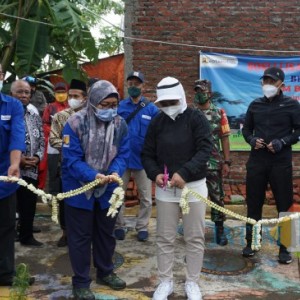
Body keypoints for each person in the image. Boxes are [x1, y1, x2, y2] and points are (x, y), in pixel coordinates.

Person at [142, 77, 212, 300]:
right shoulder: (157, 122)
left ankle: (192, 282)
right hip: (166, 189)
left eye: (172, 101)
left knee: (194, 237)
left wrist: (185, 172)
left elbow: (205, 149)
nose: (168, 107)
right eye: (164, 103)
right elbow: (147, 154)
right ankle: (165, 281)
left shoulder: (196, 118)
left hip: (193, 188)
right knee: (164, 237)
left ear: (181, 97)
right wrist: (155, 174)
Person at [61, 80, 129, 300]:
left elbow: (123, 154)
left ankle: (105, 272)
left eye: (113, 105)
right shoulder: (75, 123)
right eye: (105, 104)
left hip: (108, 189)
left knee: (106, 234)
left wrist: (114, 172)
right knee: (80, 237)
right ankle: (81, 282)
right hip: (79, 189)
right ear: (92, 102)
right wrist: (93, 176)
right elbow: (71, 159)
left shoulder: (120, 124)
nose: (110, 110)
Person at [242, 67, 300, 264]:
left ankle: (286, 247)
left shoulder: (292, 105)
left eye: (272, 81)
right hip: (257, 161)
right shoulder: (255, 105)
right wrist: (251, 140)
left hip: (280, 162)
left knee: (284, 204)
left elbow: (297, 131)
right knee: (253, 202)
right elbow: (246, 129)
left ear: (281, 84)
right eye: (265, 81)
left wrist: (282, 142)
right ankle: (251, 242)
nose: (267, 85)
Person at [114, 71, 159, 241]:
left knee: (146, 197)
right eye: (131, 83)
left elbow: (157, 133)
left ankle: (142, 227)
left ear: (143, 86)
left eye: (137, 84)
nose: (134, 86)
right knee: (118, 194)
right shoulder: (120, 107)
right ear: (127, 85)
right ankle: (119, 225)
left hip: (143, 160)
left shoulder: (151, 108)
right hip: (123, 158)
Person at [0, 64, 34, 286]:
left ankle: (5, 273)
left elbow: (17, 136)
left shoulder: (12, 105)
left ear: (1, 77)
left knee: (6, 227)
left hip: (5, 177)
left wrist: (15, 164)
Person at [49, 79, 87, 247]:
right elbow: (52, 139)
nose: (72, 98)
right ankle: (65, 233)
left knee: (85, 200)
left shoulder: (92, 117)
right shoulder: (60, 116)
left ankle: (86, 233)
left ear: (84, 98)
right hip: (66, 166)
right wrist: (71, 147)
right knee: (64, 200)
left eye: (75, 96)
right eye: (70, 96)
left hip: (88, 167)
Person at [193, 79, 231, 246]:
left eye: (202, 91)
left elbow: (225, 138)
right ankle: (194, 230)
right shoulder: (191, 113)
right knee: (194, 199)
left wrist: (227, 161)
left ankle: (220, 230)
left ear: (209, 93)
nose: (199, 94)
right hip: (194, 165)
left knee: (217, 198)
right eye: (197, 91)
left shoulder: (219, 113)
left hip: (214, 164)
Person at [10, 80, 45, 247]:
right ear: (11, 94)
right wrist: (18, 160)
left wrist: (37, 157)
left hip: (31, 168)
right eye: (20, 92)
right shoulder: (6, 113)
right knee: (10, 205)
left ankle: (26, 235)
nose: (24, 95)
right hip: (11, 169)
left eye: (26, 92)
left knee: (29, 203)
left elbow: (41, 140)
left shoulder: (34, 114)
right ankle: (10, 235)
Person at [39, 82, 68, 190]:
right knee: (53, 171)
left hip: (68, 143)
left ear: (67, 93)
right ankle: (53, 197)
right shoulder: (50, 107)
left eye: (63, 92)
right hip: (53, 145)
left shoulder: (70, 107)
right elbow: (45, 123)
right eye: (58, 92)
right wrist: (55, 132)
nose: (61, 95)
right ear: (54, 93)